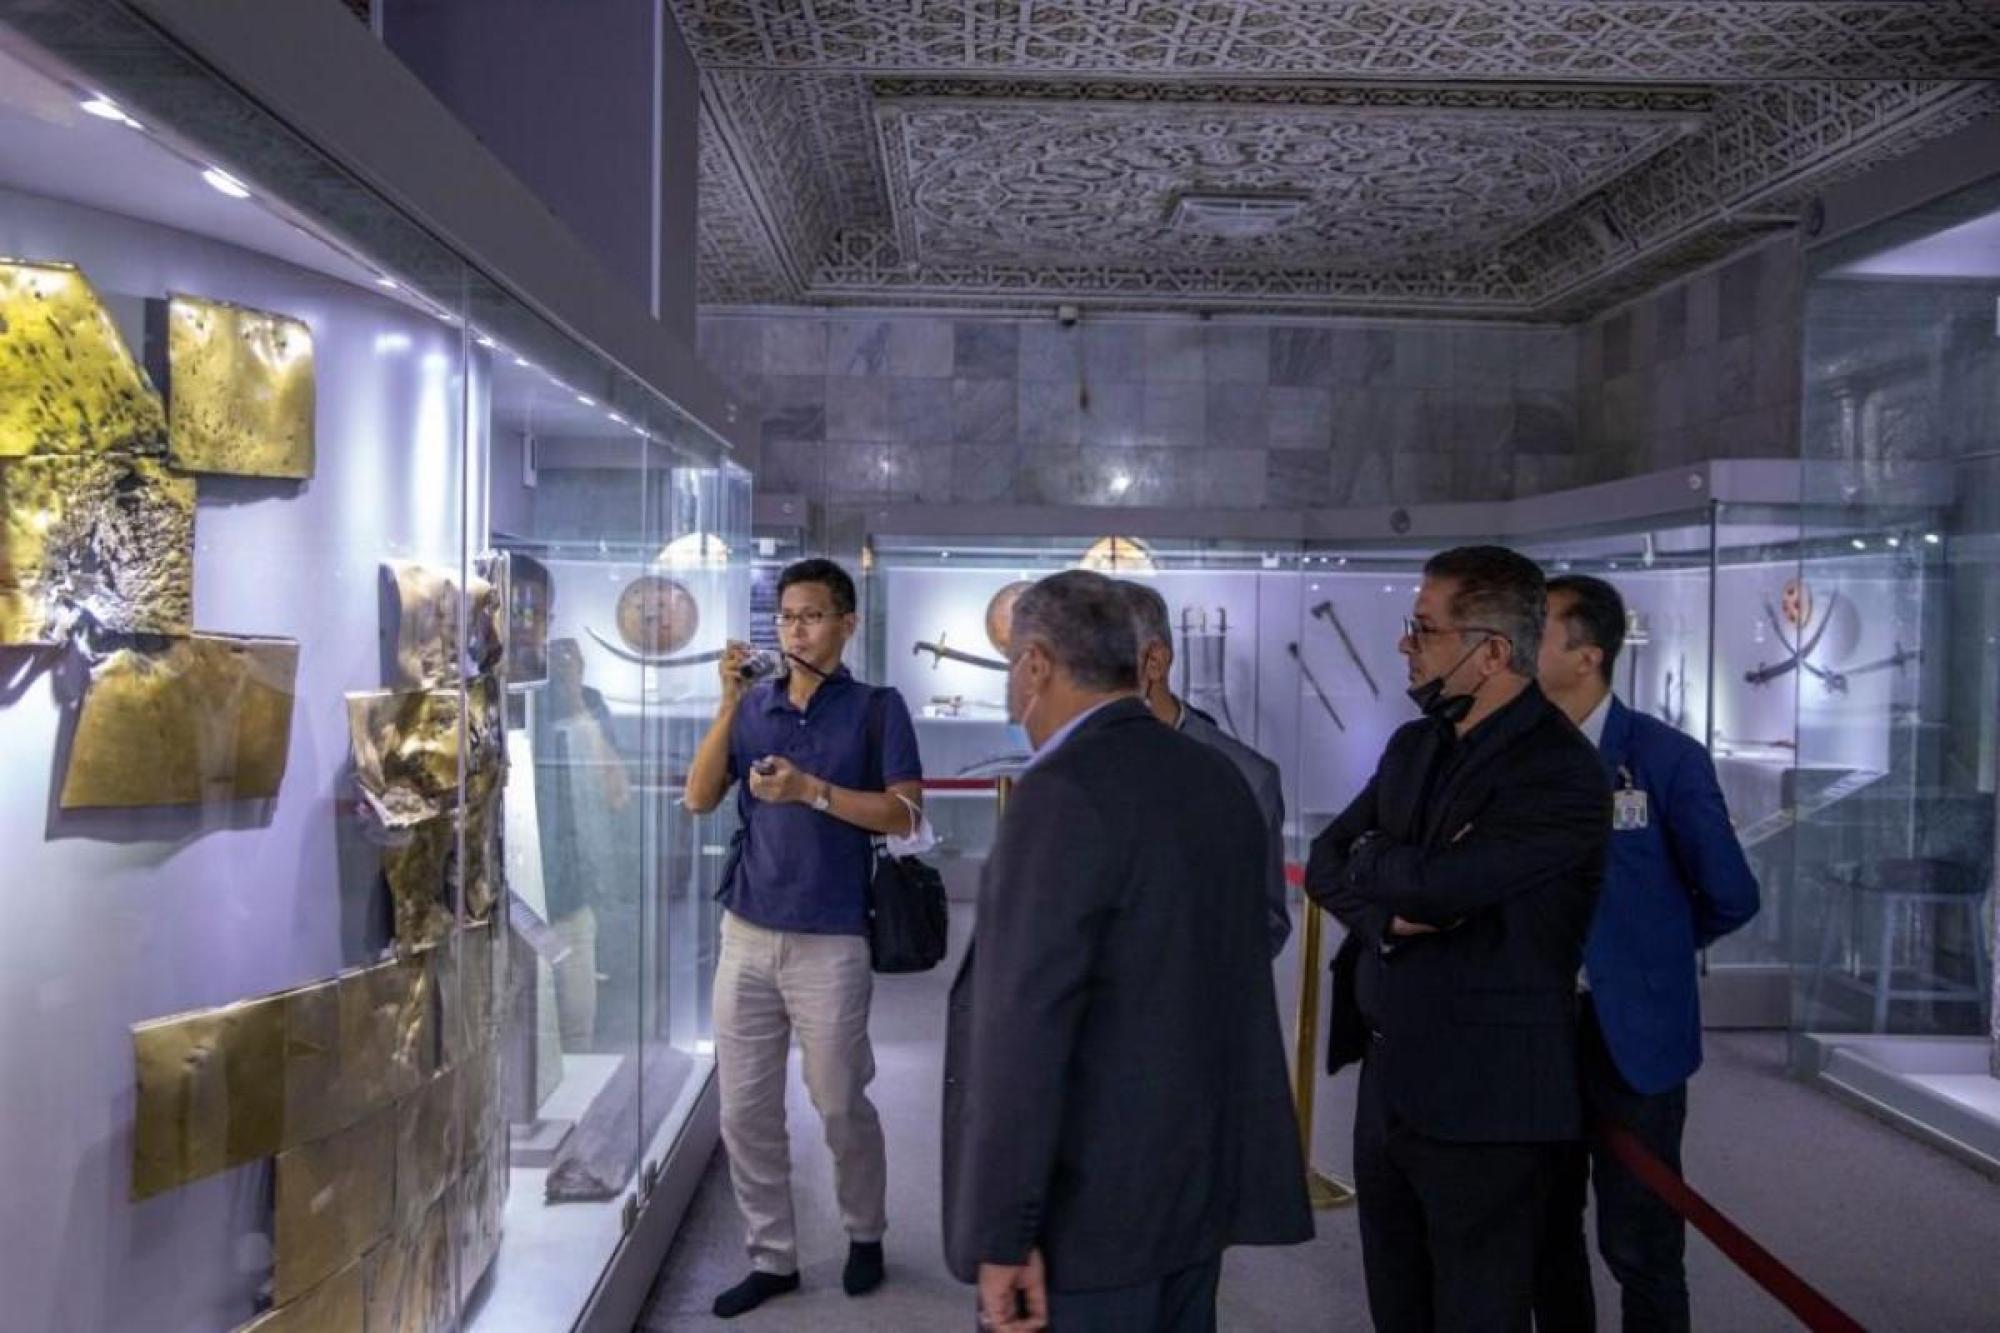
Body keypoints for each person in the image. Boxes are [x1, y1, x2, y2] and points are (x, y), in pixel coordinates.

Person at [942, 570, 1313, 1333]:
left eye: (1012, 666)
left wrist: (1005, 1232)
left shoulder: (1060, 793)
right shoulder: (1218, 775)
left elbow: (1024, 1029)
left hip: (1091, 1213)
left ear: (1036, 665)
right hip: (1194, 1188)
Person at [1305, 545, 1608, 1333]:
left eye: (1424, 628)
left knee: (1479, 1311)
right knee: (1398, 1308)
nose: (1405, 643)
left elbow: (1440, 888)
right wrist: (1388, 906)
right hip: (1390, 1089)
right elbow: (1327, 857)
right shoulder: (1415, 745)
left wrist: (1390, 865)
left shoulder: (1561, 771)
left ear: (1493, 651)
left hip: (1489, 1105)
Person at [683, 557, 926, 1319]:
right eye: (787, 617)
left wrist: (811, 790)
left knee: (839, 1100)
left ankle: (864, 1231)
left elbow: (906, 815)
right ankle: (772, 1256)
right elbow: (698, 797)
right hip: (748, 930)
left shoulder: (876, 708)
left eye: (812, 616)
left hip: (833, 937)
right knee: (744, 1110)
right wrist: (727, 704)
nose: (796, 630)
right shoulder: (754, 705)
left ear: (847, 623)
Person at [1533, 574, 1761, 1333]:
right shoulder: (1515, 755)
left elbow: (1731, 892)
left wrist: (1652, 951)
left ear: (1587, 655)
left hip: (1635, 1033)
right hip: (1534, 1031)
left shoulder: (1665, 757)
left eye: (1537, 629)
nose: (1518, 642)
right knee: (1545, 1233)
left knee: (1641, 1242)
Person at [1120, 579, 1292, 956]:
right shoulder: (1070, 772)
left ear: (1155, 662)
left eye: (1102, 667)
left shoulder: (1246, 778)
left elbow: (1263, 926)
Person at [534, 636, 632, 1050]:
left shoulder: (588, 702)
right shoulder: (518, 702)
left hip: (573, 889)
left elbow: (617, 792)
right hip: (521, 888)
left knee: (576, 1027)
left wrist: (575, 700)